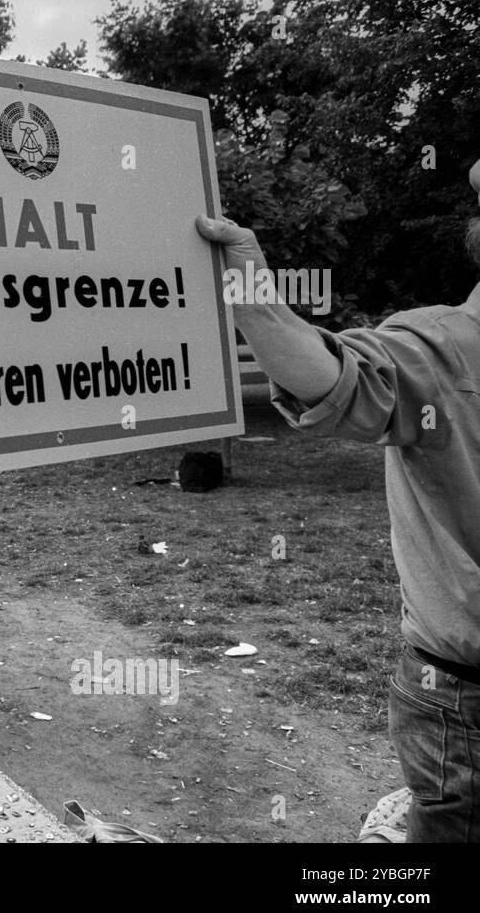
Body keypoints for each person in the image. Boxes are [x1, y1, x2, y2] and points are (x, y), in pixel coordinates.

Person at [194, 157, 480, 843]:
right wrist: (249, 278)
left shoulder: (447, 346)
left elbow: (331, 382)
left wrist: (249, 280)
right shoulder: (442, 348)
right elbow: (330, 379)